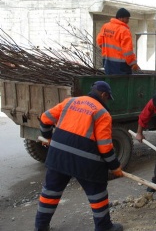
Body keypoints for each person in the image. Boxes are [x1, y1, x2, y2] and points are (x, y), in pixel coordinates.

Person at [34, 81, 123, 231]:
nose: (107, 101)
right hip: (85, 162)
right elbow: (105, 147)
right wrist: (115, 167)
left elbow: (45, 118)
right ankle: (104, 227)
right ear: (103, 95)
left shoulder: (70, 102)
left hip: (58, 157)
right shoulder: (103, 113)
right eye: (107, 98)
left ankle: (40, 227)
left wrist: (48, 137)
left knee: (50, 192)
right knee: (97, 193)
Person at [97, 8, 140, 75]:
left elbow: (99, 40)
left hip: (107, 62)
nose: (128, 21)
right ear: (121, 18)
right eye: (127, 18)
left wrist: (108, 51)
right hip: (121, 65)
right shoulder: (124, 30)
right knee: (123, 84)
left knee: (111, 83)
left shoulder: (105, 26)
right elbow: (127, 51)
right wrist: (133, 63)